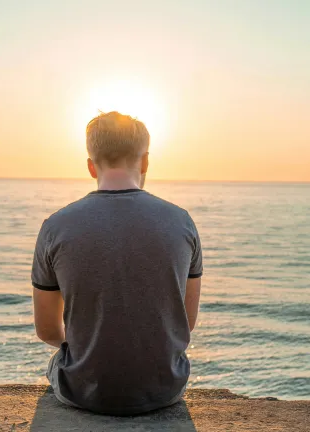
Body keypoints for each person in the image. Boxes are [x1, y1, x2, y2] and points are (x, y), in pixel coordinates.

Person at [31, 111, 203, 416]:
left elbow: (46, 330)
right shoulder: (182, 223)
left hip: (84, 392)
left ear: (90, 166)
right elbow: (184, 324)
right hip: (165, 389)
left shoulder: (55, 227)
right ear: (146, 161)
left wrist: (90, 342)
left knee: (60, 361)